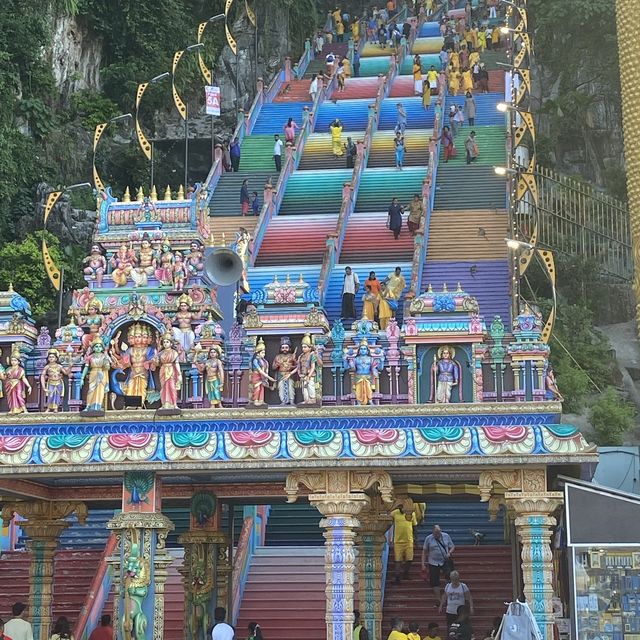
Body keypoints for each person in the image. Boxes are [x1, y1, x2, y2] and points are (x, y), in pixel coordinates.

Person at [422, 525, 455, 602]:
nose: (437, 535)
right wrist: (423, 564)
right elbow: (424, 551)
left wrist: (449, 553)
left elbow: (452, 546)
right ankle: (439, 599)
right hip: (433, 561)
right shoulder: (428, 538)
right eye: (435, 533)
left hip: (445, 560)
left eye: (438, 533)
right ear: (433, 532)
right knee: (434, 581)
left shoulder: (446, 536)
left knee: (449, 575)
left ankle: (446, 594)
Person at [392, 504, 417, 583]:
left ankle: (406, 573)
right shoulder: (394, 513)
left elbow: (414, 526)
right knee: (397, 560)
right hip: (398, 541)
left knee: (409, 559)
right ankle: (397, 576)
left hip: (409, 540)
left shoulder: (412, 513)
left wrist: (416, 538)